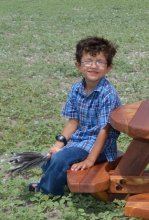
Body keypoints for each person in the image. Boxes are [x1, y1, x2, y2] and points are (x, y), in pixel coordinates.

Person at [28, 36, 121, 195]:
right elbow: (73, 121)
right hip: (79, 140)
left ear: (108, 67)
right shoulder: (76, 89)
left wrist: (90, 160)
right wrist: (59, 143)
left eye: (100, 61)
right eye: (88, 61)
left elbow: (104, 131)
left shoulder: (107, 94)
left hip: (100, 147)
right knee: (51, 157)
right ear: (78, 66)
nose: (93, 66)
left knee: (60, 160)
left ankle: (48, 191)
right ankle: (60, 176)